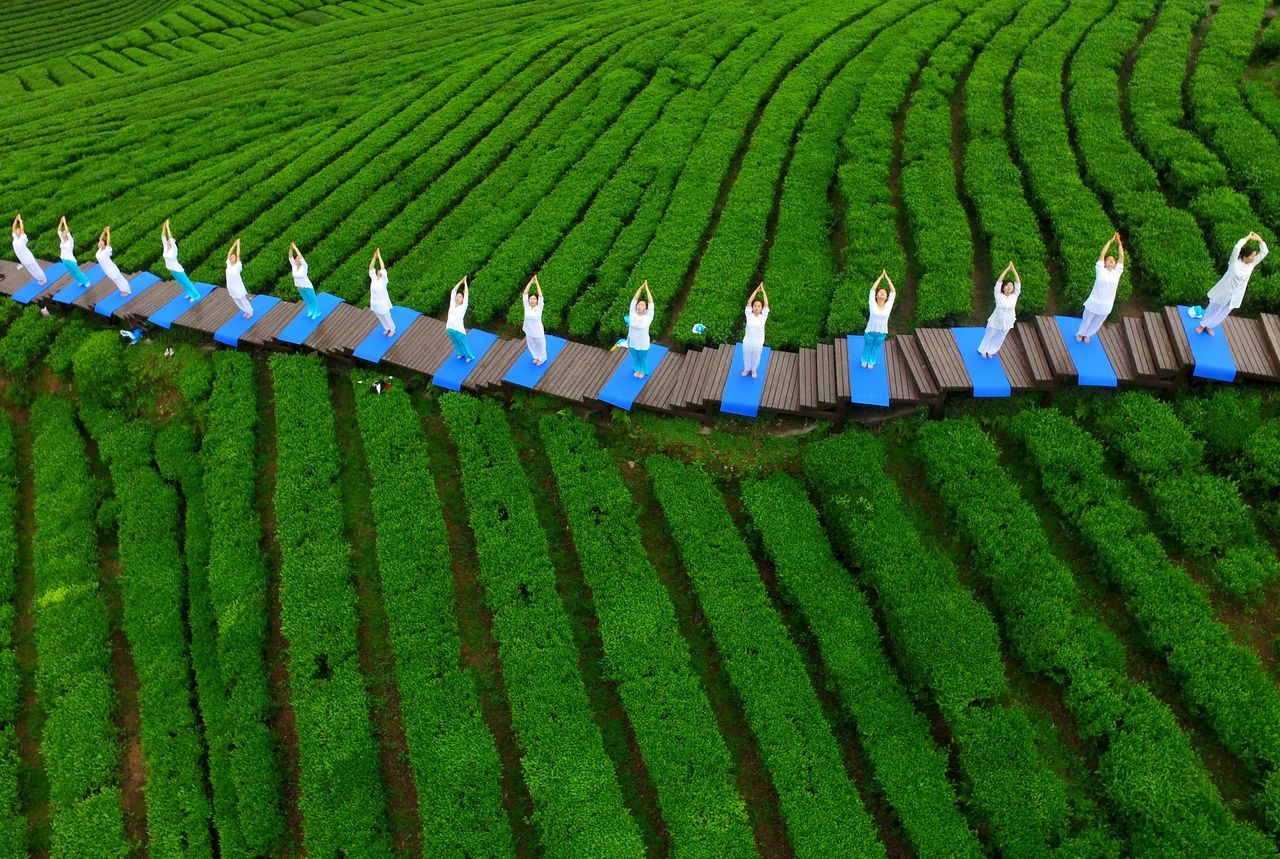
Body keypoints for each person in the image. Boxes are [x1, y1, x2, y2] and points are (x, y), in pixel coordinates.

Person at [1198, 232, 1269, 336]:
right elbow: (1237, 247)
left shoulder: (1251, 264)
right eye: (1252, 256)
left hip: (1236, 295)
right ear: (1245, 256)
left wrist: (1259, 240)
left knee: (1223, 313)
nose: (1255, 258)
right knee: (1213, 308)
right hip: (1224, 291)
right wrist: (1248, 238)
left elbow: (1264, 252)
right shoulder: (1234, 263)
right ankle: (1202, 325)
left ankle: (1209, 326)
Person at [1076, 233, 1124, 343]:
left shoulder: (1117, 272)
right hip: (1094, 301)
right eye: (1109, 259)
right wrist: (1110, 242)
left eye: (1113, 260)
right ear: (1105, 263)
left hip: (1107, 304)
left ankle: (1088, 334)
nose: (1111, 260)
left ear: (1115, 263)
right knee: (1087, 319)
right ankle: (1081, 333)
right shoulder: (1100, 270)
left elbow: (1121, 257)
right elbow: (1102, 254)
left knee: (1098, 322)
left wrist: (1119, 244)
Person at [978, 262, 1021, 358]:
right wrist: (1007, 269)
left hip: (1007, 321)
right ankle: (983, 349)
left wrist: (1013, 270)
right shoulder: (998, 295)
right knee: (989, 335)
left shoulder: (1014, 296)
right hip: (996, 320)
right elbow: (998, 282)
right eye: (1007, 285)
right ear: (1003, 288)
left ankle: (991, 350)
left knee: (1000, 338)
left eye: (1011, 285)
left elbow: (1018, 284)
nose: (1009, 287)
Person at [861, 270, 895, 369]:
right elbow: (872, 290)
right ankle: (864, 360)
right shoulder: (873, 304)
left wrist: (887, 278)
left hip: (882, 333)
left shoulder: (888, 306)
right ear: (876, 296)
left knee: (875, 348)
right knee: (867, 347)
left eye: (884, 293)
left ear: (886, 297)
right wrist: (880, 278)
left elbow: (893, 292)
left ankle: (871, 361)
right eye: (880, 292)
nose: (882, 293)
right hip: (870, 332)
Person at [161, 219, 201, 302]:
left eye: (172, 241)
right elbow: (163, 236)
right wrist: (164, 225)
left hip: (177, 269)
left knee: (187, 282)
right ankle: (190, 294)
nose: (169, 241)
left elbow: (170, 238)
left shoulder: (174, 249)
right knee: (181, 283)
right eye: (169, 241)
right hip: (171, 269)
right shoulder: (165, 247)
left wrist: (168, 227)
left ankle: (196, 295)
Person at [628, 280, 655, 378]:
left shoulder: (648, 317)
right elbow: (634, 300)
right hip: (632, 341)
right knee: (635, 356)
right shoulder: (633, 313)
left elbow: (651, 303)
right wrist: (640, 288)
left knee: (642, 357)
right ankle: (637, 369)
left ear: (646, 308)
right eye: (639, 305)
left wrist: (647, 289)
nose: (639, 306)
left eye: (642, 305)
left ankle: (643, 370)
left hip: (643, 343)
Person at [57, 216, 94, 288]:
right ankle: (80, 281)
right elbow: (58, 230)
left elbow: (67, 231)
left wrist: (64, 222)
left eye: (64, 232)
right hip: (64, 259)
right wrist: (60, 222)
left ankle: (86, 281)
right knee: (72, 272)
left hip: (70, 260)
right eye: (63, 233)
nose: (63, 233)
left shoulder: (70, 241)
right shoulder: (62, 240)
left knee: (77, 271)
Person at [742, 282, 769, 378]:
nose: (756, 307)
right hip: (748, 342)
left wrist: (763, 292)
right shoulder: (749, 315)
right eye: (755, 306)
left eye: (759, 306)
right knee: (747, 356)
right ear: (752, 308)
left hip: (758, 343)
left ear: (761, 308)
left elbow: (766, 304)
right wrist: (756, 290)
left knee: (756, 357)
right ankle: (747, 369)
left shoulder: (763, 316)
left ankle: (753, 370)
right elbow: (749, 302)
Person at [446, 276, 476, 361]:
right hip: (450, 328)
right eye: (457, 296)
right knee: (455, 343)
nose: (457, 297)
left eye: (460, 296)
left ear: (462, 299)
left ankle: (469, 356)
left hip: (458, 329)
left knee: (463, 343)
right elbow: (453, 291)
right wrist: (460, 282)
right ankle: (461, 353)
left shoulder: (463, 307)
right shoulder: (452, 304)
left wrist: (465, 282)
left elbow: (466, 294)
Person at [288, 242, 321, 319]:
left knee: (312, 299)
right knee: (306, 300)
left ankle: (317, 311)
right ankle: (310, 310)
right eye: (296, 259)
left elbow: (300, 256)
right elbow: (290, 257)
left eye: (298, 259)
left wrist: (295, 248)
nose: (296, 259)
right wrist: (290, 248)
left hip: (307, 286)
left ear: (301, 261)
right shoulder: (294, 266)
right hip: (299, 287)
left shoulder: (304, 266)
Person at [96, 227, 131, 296]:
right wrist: (104, 231)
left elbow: (108, 242)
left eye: (101, 243)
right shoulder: (99, 250)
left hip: (111, 268)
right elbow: (100, 238)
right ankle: (123, 290)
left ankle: (127, 290)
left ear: (104, 245)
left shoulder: (106, 251)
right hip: (107, 270)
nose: (100, 243)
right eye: (99, 243)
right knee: (116, 281)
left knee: (120, 279)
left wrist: (108, 233)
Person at [11, 215, 45, 285]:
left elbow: (22, 229)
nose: (16, 231)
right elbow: (13, 228)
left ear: (20, 232)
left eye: (18, 230)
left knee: (36, 268)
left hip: (28, 256)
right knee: (31, 270)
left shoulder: (23, 238)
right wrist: (16, 219)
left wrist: (20, 221)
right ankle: (39, 279)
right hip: (22, 258)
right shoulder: (15, 238)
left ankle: (43, 279)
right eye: (16, 231)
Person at [522, 274, 546, 365]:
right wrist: (530, 282)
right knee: (531, 344)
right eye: (530, 299)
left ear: (537, 301)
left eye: (534, 299)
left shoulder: (539, 307)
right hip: (529, 330)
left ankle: (542, 358)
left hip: (538, 330)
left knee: (540, 345)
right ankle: (536, 356)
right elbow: (525, 293)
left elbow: (540, 295)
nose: (532, 300)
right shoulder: (527, 307)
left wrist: (536, 283)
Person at [369, 248, 394, 336]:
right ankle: (386, 328)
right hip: (374, 302)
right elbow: (371, 267)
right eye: (378, 270)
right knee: (380, 316)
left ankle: (392, 329)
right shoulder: (374, 278)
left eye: (380, 270)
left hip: (382, 302)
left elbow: (383, 267)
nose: (379, 270)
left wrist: (379, 257)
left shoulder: (384, 280)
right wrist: (374, 257)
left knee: (386, 316)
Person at [225, 238, 252, 319]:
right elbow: (229, 253)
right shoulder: (229, 265)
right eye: (231, 257)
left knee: (242, 299)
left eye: (233, 257)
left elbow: (238, 255)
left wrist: (238, 245)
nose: (231, 257)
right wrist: (233, 245)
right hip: (231, 287)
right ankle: (246, 311)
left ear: (236, 259)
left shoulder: (238, 265)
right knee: (236, 300)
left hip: (237, 287)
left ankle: (250, 311)